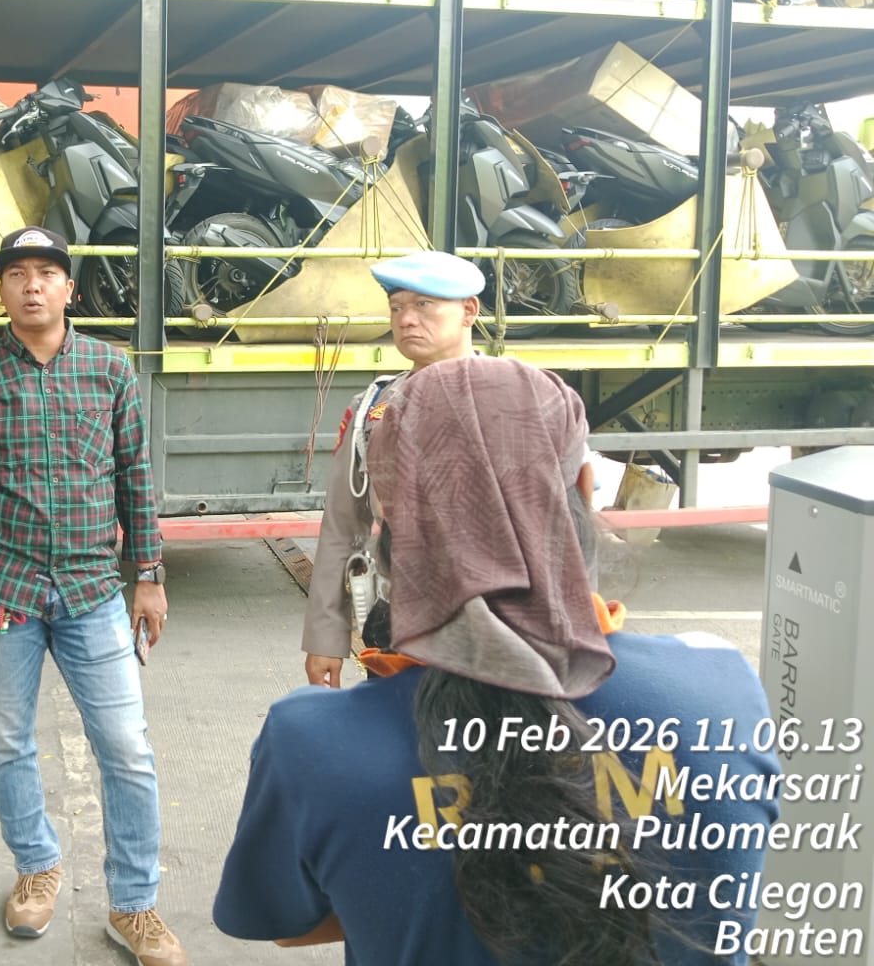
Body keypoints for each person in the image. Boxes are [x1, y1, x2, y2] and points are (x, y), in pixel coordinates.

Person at [216, 356, 782, 965]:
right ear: (584, 487)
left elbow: (285, 925)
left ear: (389, 519)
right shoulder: (722, 689)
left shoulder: (312, 742)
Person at [0, 226, 188, 966]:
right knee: (8, 740)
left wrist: (149, 575)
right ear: (2, 291)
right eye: (17, 274)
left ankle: (134, 906)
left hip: (91, 590)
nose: (32, 286)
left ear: (70, 290)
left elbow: (135, 475)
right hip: (3, 591)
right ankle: (36, 867)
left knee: (127, 749)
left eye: (46, 273)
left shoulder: (108, 370)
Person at [302, 248, 484, 687]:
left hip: (496, 623)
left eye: (424, 304)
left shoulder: (519, 400)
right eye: (397, 307)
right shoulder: (373, 407)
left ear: (469, 311)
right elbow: (343, 526)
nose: (406, 320)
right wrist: (325, 637)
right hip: (399, 624)